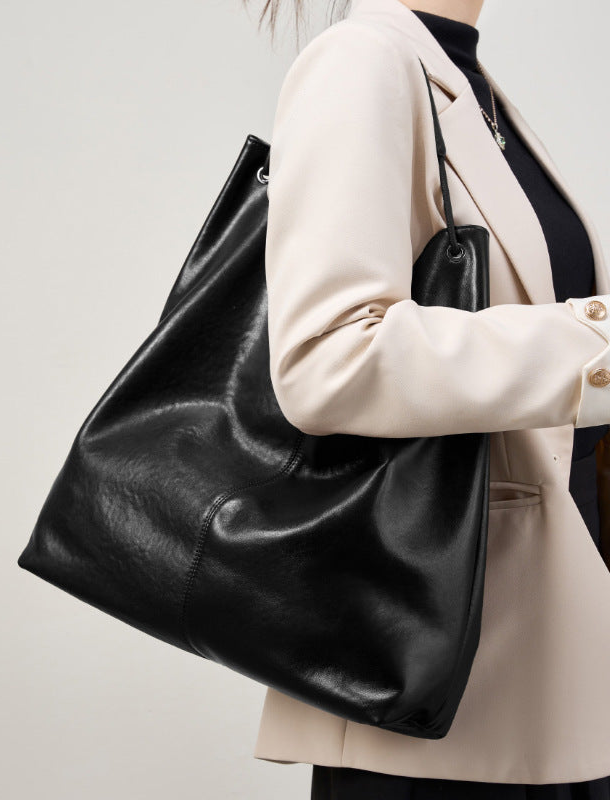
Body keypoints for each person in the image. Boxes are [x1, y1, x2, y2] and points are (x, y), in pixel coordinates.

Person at [244, 0, 610, 796]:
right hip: (446, 667)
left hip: (542, 647)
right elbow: (328, 357)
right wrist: (595, 346)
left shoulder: (463, 76)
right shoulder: (363, 63)